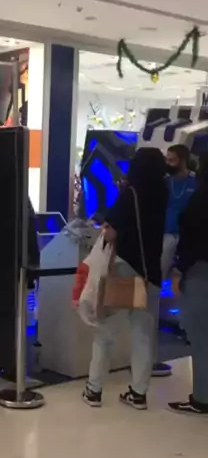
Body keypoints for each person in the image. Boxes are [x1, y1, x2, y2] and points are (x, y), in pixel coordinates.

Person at [83, 147, 168, 410]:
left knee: (104, 330)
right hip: (150, 271)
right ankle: (138, 393)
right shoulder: (163, 193)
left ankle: (94, 390)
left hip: (123, 269)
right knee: (143, 334)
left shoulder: (130, 194)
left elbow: (110, 232)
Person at [169, 153, 208, 414]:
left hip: (200, 271)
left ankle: (202, 398)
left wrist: (178, 269)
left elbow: (193, 239)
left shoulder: (201, 200)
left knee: (201, 337)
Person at [152, 144, 197, 377]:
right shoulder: (164, 183)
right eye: (166, 159)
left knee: (191, 286)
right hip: (166, 237)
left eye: (172, 160)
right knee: (154, 285)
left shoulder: (196, 183)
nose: (168, 164)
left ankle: (189, 328)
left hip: (189, 240)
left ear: (183, 159)